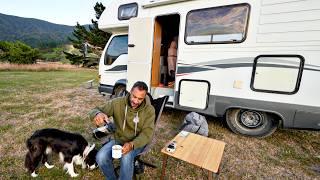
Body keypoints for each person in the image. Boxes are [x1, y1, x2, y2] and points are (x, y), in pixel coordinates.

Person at [89, 81, 155, 180]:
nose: (136, 101)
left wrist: (132, 144)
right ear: (130, 92)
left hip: (137, 143)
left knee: (126, 157)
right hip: (119, 140)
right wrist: (98, 114)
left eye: (140, 99)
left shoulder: (149, 110)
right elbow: (96, 110)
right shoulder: (117, 103)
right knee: (101, 157)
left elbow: (147, 134)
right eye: (134, 96)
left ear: (144, 97)